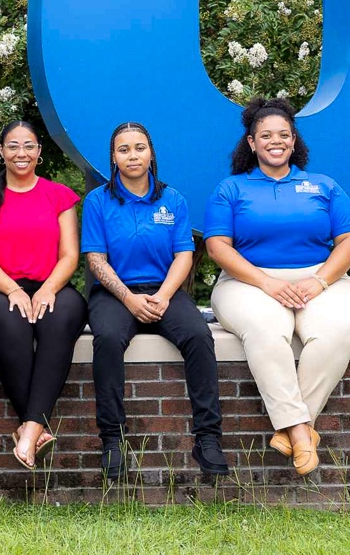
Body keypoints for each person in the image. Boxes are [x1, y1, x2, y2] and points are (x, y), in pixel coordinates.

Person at [204, 97, 350, 476]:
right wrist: (267, 283)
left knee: (336, 332)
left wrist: (320, 280)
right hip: (247, 281)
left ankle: (292, 431)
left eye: (283, 135)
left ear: (294, 141)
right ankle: (301, 430)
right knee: (267, 330)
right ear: (251, 143)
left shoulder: (324, 186)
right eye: (265, 136)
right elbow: (217, 247)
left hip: (322, 279)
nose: (275, 141)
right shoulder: (230, 189)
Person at [82, 122, 228, 480]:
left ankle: (207, 438)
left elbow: (184, 255)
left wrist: (163, 296)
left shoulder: (173, 200)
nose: (132, 155)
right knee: (108, 340)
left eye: (139, 147)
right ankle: (113, 440)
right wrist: (130, 299)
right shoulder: (97, 201)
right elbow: (96, 260)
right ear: (113, 158)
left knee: (198, 336)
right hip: (116, 293)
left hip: (165, 290)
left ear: (151, 153)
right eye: (123, 149)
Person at [0, 121, 87, 470]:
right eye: (13, 146)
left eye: (29, 146)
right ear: (1, 151)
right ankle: (36, 426)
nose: (22, 153)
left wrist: (47, 289)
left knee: (60, 320)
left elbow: (70, 256)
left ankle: (29, 430)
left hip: (52, 285)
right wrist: (13, 290)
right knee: (14, 324)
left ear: (39, 152)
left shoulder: (58, 195)